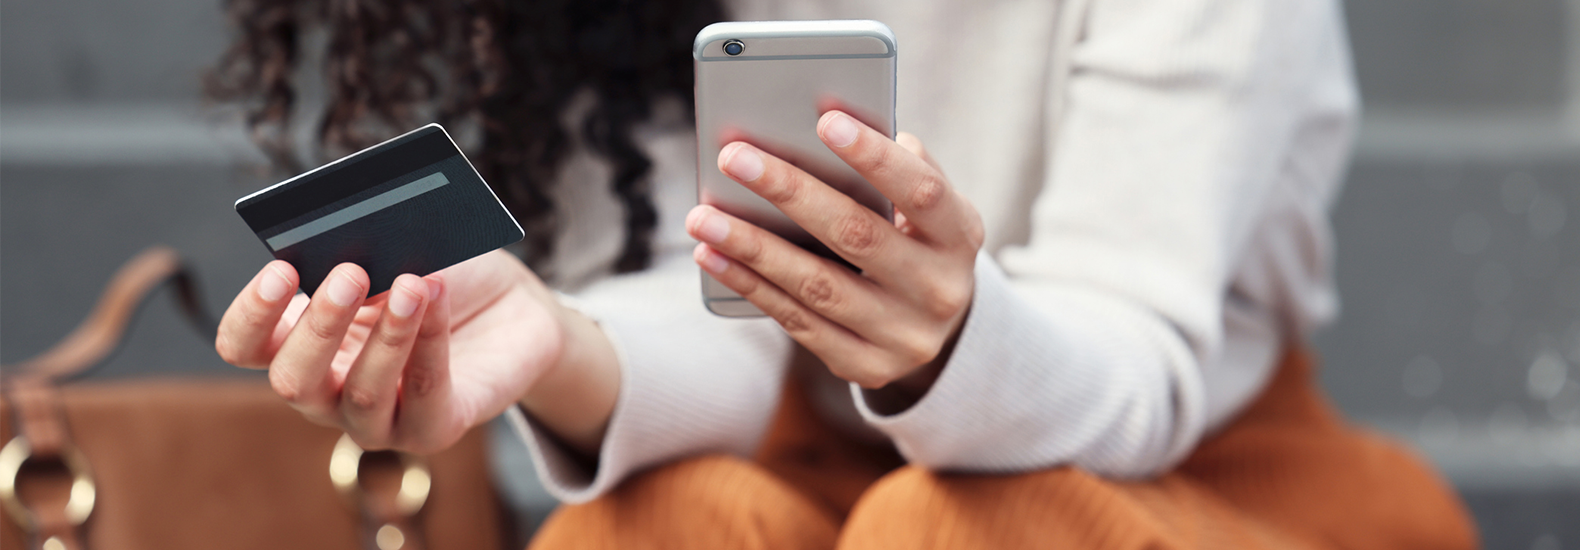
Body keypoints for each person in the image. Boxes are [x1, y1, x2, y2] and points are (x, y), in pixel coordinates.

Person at [210, 0, 1478, 547]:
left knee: (961, 529)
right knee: (668, 524)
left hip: (1197, 478)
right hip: (802, 468)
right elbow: (721, 304)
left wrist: (944, 340)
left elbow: (1137, 353)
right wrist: (558, 338)